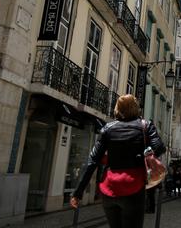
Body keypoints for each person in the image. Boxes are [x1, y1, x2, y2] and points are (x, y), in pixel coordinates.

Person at [70, 94, 165, 228]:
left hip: (109, 188)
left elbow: (92, 161)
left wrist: (78, 193)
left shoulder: (108, 128)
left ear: (117, 108)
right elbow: (159, 148)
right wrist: (144, 151)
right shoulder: (146, 125)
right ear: (136, 108)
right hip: (133, 186)